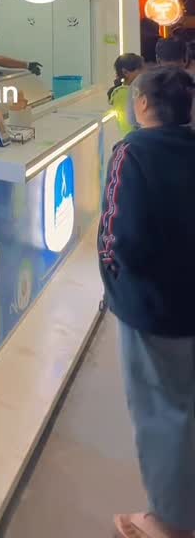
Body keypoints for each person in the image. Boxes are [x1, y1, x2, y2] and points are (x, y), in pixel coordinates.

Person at [99, 67, 195, 538]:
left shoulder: (131, 152)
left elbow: (118, 238)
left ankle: (169, 522)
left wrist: (116, 286)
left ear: (140, 105)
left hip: (153, 309)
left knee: (161, 414)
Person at [126, 39, 188, 132]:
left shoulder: (141, 81)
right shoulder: (190, 81)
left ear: (157, 59)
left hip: (148, 138)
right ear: (185, 58)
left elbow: (132, 119)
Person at [108, 53, 143, 136]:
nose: (142, 74)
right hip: (132, 139)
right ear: (125, 72)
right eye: (139, 70)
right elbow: (128, 125)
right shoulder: (123, 94)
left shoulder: (131, 90)